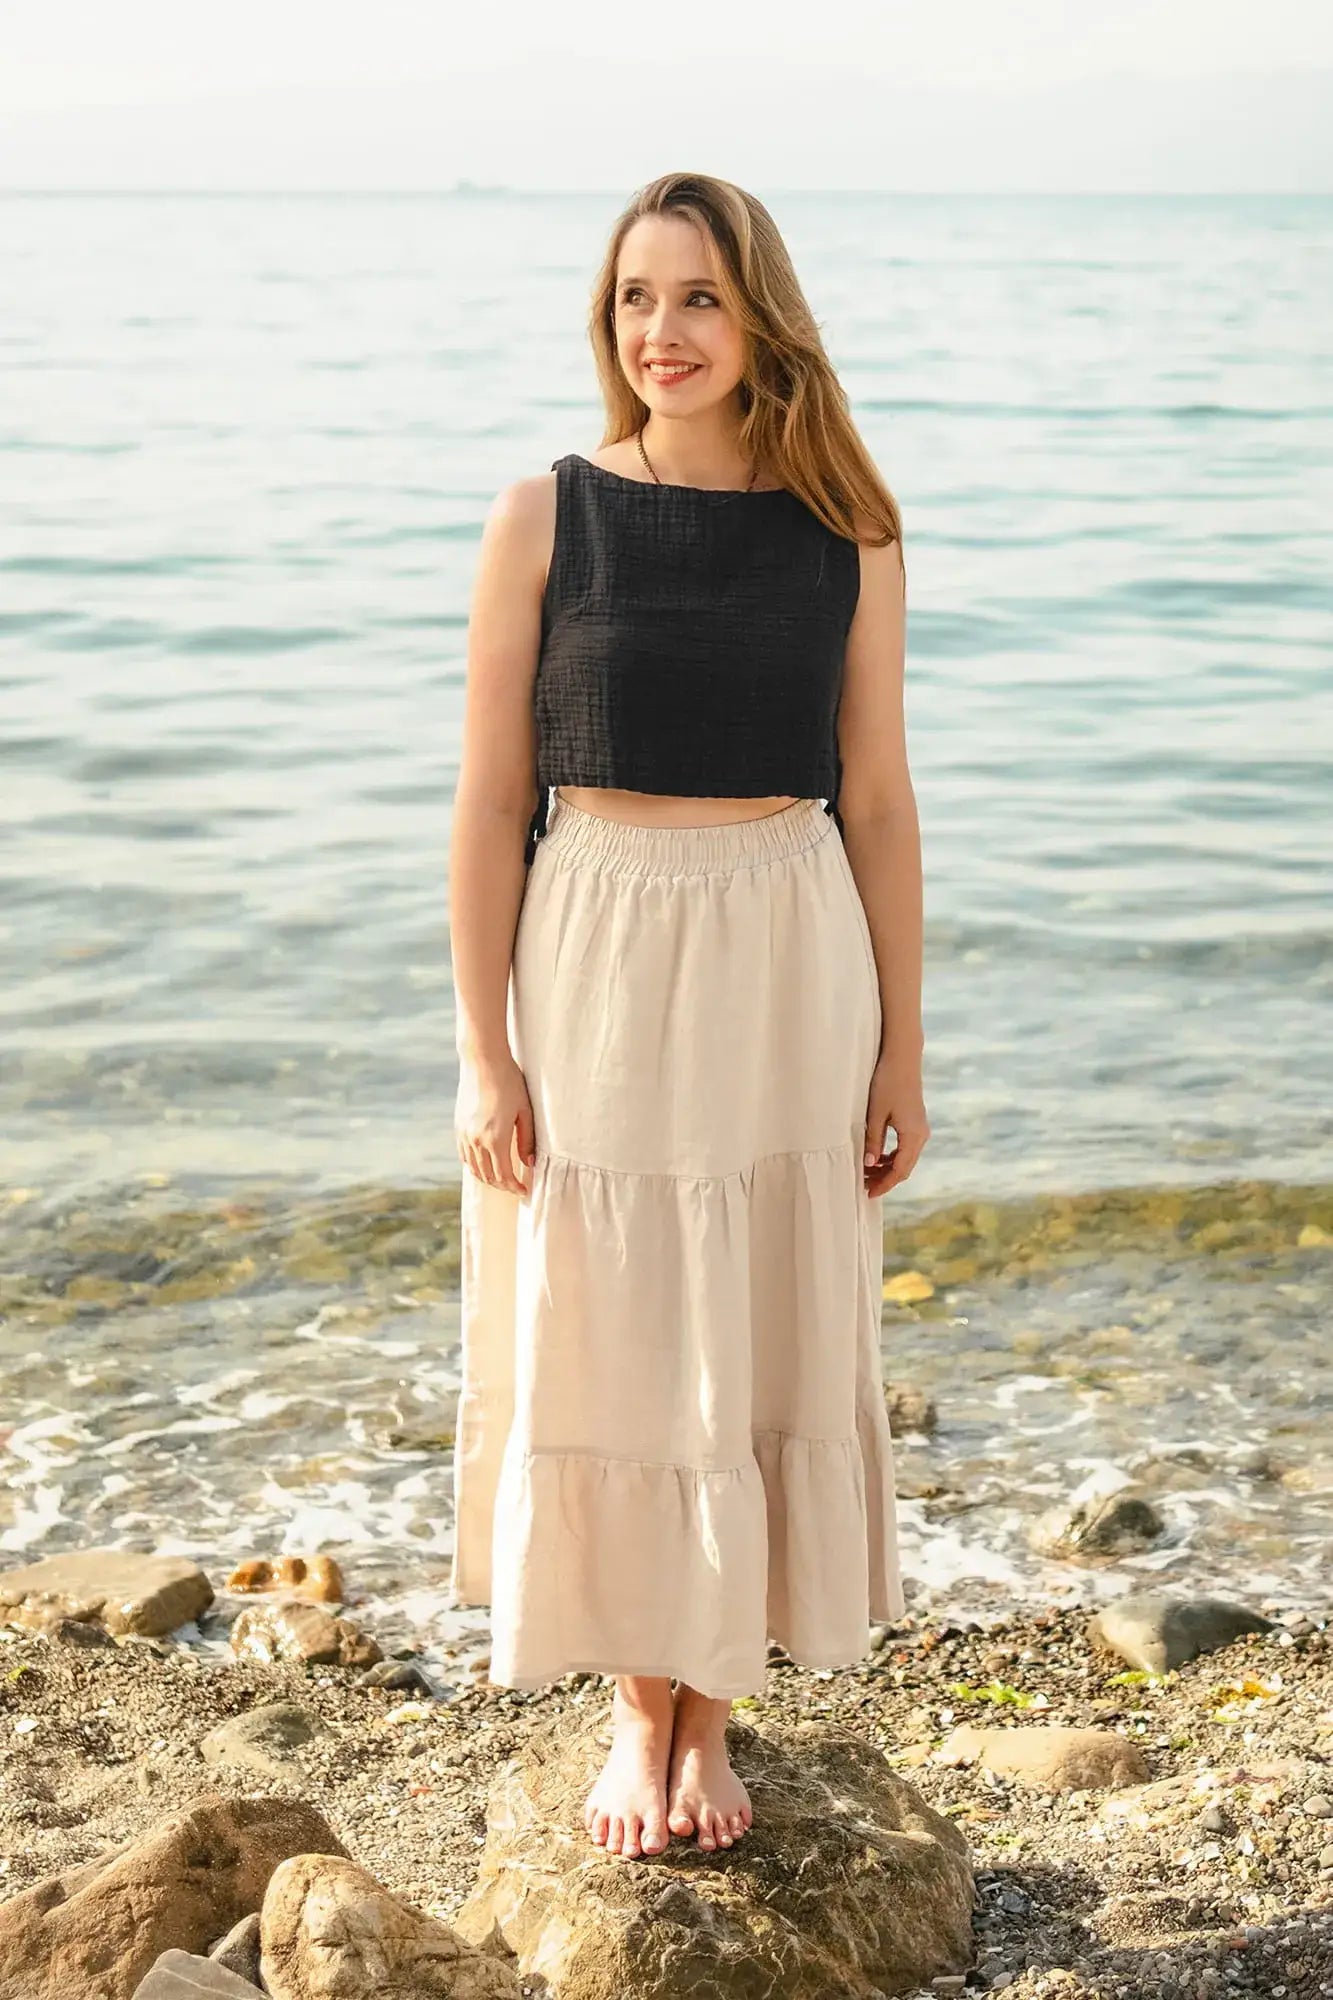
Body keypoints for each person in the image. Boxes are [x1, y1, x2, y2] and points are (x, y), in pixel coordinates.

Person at [447, 171, 927, 1865]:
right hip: (592, 943)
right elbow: (492, 797)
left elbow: (875, 797)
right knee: (615, 1319)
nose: (664, 333)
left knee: (752, 1319)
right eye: (638, 298)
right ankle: (634, 1705)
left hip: (787, 943)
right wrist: (484, 1048)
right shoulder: (545, 514)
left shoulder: (845, 528)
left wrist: (901, 1047)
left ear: (762, 318)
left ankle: (705, 1711)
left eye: (701, 299)